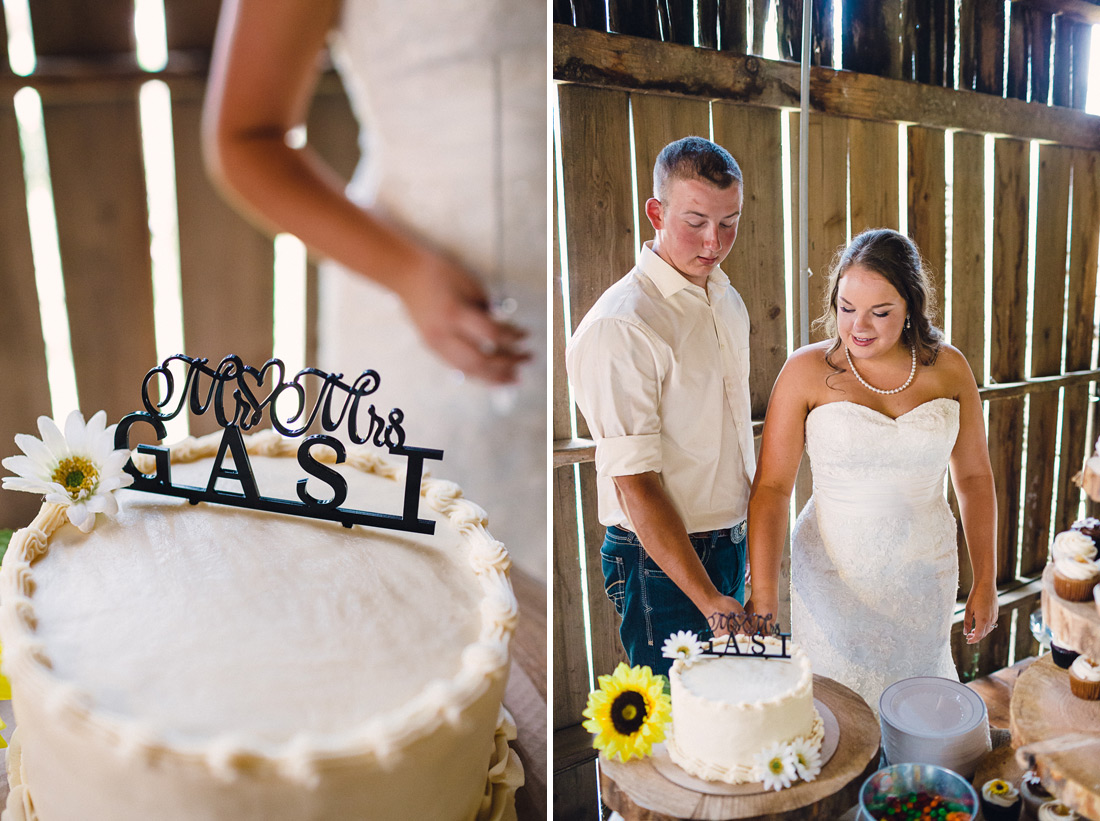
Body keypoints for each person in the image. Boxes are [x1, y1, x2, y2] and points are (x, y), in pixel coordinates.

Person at [201, 0, 546, 581]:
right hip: (424, 310)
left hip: (574, 286)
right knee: (421, 578)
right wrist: (410, 275)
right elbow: (244, 138)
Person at [747, 228, 998, 712]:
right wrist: (763, 597)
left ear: (910, 307)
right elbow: (773, 489)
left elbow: (973, 478)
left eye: (879, 313)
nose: (858, 326)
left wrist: (985, 578)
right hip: (833, 574)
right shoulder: (805, 372)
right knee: (840, 713)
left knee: (921, 709)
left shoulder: (950, 369)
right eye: (846, 308)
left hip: (924, 576)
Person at [565, 137, 756, 678]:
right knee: (670, 733)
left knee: (726, 715)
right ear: (656, 211)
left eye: (729, 222)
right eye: (696, 221)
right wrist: (705, 596)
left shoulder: (726, 298)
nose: (714, 241)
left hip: (729, 545)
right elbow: (635, 484)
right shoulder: (620, 326)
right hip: (660, 564)